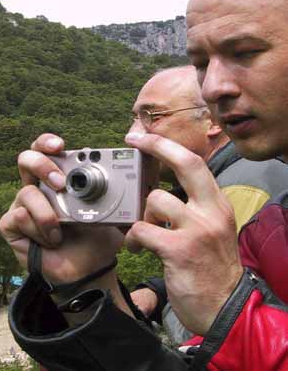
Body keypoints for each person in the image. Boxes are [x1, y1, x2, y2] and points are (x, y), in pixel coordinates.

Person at [0, 0, 288, 370]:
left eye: (244, 51)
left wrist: (230, 312)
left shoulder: (247, 200)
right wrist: (82, 283)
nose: (214, 87)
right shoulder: (270, 228)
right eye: (201, 63)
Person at [121, 67, 288, 345]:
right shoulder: (222, 182)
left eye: (151, 116)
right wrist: (156, 291)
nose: (132, 134)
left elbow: (210, 331)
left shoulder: (243, 191)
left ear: (213, 120)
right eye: (135, 118)